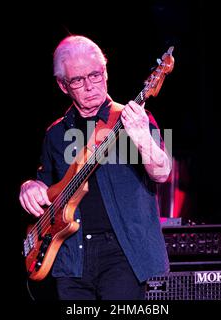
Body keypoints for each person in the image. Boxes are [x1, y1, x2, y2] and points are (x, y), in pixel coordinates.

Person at [19, 35, 171, 300]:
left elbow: (162, 172)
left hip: (123, 254)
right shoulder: (55, 134)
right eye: (78, 80)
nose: (90, 86)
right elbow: (46, 188)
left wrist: (143, 139)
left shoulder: (134, 118)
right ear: (63, 85)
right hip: (70, 256)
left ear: (106, 72)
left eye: (95, 75)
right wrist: (30, 187)